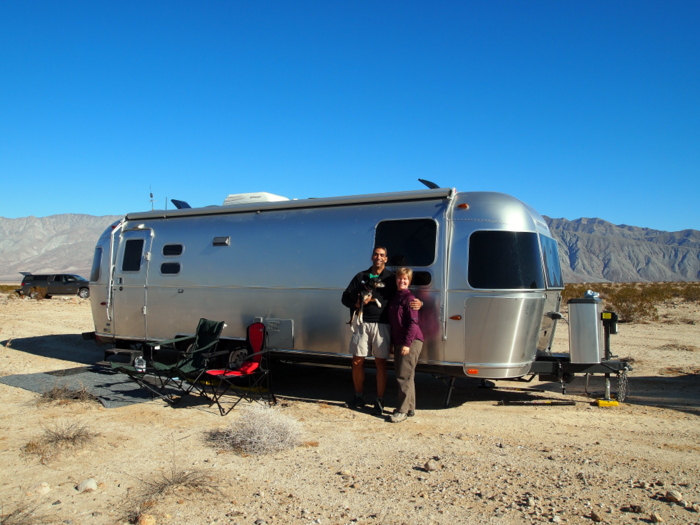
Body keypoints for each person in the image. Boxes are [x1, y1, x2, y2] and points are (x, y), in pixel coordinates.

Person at [341, 247, 420, 415]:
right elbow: (345, 297)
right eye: (376, 254)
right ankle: (358, 396)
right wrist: (358, 304)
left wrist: (419, 303)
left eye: (382, 255)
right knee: (357, 361)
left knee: (380, 363)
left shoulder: (391, 279)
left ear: (386, 259)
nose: (378, 257)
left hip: (383, 325)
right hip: (362, 323)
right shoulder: (361, 276)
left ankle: (379, 400)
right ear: (372, 257)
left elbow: (404, 295)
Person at [387, 267, 424, 423]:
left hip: (411, 341)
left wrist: (407, 344)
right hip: (400, 341)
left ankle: (401, 411)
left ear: (409, 281)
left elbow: (413, 323)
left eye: (405, 279)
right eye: (400, 278)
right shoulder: (396, 296)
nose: (402, 281)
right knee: (407, 376)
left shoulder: (410, 299)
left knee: (403, 376)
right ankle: (410, 408)